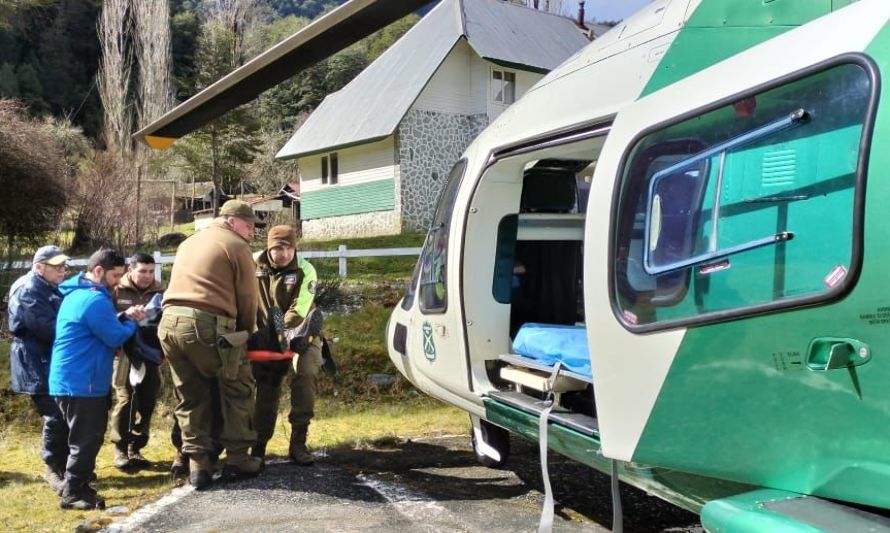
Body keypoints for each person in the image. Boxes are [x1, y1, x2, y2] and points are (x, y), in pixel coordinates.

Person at [159, 199, 264, 490]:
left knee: (191, 395)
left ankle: (198, 465)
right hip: (207, 324)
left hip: (169, 323)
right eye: (248, 224)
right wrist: (246, 335)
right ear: (231, 221)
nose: (252, 231)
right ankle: (239, 459)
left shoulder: (188, 243)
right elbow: (247, 298)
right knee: (237, 388)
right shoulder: (237, 246)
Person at [50, 248, 145, 510]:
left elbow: (100, 327)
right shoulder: (95, 300)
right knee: (87, 439)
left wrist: (122, 318)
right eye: (115, 276)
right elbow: (114, 337)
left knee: (80, 436)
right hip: (83, 381)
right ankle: (73, 492)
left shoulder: (78, 294)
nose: (118, 281)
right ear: (99, 271)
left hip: (72, 379)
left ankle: (77, 484)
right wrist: (133, 322)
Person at [248, 225, 323, 466]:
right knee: (267, 385)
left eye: (290, 248)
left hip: (299, 328)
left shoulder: (305, 269)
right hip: (264, 334)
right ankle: (259, 445)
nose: (286, 254)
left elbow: (300, 308)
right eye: (279, 248)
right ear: (269, 248)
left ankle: (298, 441)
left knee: (306, 372)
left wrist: (286, 330)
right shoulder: (251, 264)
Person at [7, 245, 70, 494]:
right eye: (56, 266)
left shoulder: (47, 287)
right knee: (55, 415)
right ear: (39, 267)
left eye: (63, 266)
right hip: (34, 360)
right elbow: (47, 328)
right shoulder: (30, 290)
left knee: (64, 412)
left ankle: (65, 466)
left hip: (47, 358)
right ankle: (53, 469)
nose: (62, 271)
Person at [109, 252, 165, 470]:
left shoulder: (161, 290)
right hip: (123, 353)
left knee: (148, 399)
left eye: (151, 271)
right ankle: (120, 448)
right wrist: (125, 314)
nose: (147, 276)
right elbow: (104, 318)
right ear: (130, 270)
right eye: (142, 271)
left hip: (150, 352)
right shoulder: (115, 290)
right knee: (126, 398)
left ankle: (136, 447)